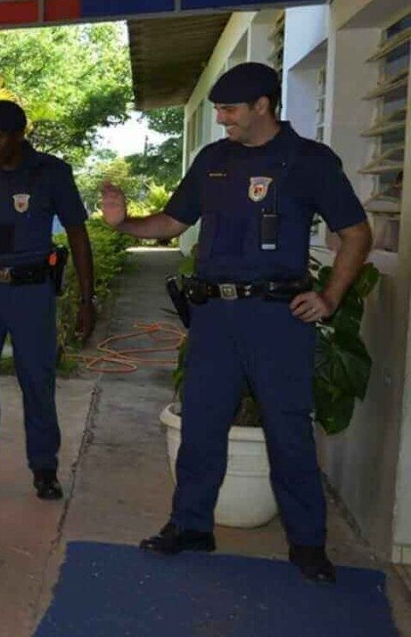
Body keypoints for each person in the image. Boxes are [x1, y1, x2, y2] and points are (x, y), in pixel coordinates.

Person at [101, 62, 372, 584]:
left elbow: (356, 233)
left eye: (228, 108)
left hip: (278, 319)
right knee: (201, 425)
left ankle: (308, 543)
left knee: (288, 430)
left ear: (262, 106)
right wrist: (125, 223)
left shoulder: (308, 161)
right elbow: (173, 221)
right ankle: (191, 526)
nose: (221, 117)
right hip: (214, 317)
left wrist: (331, 296)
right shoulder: (213, 160)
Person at [0, 100, 95, 500]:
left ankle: (44, 468)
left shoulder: (51, 172)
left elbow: (78, 234)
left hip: (31, 292)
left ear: (20, 134)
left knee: (37, 380)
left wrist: (86, 299)